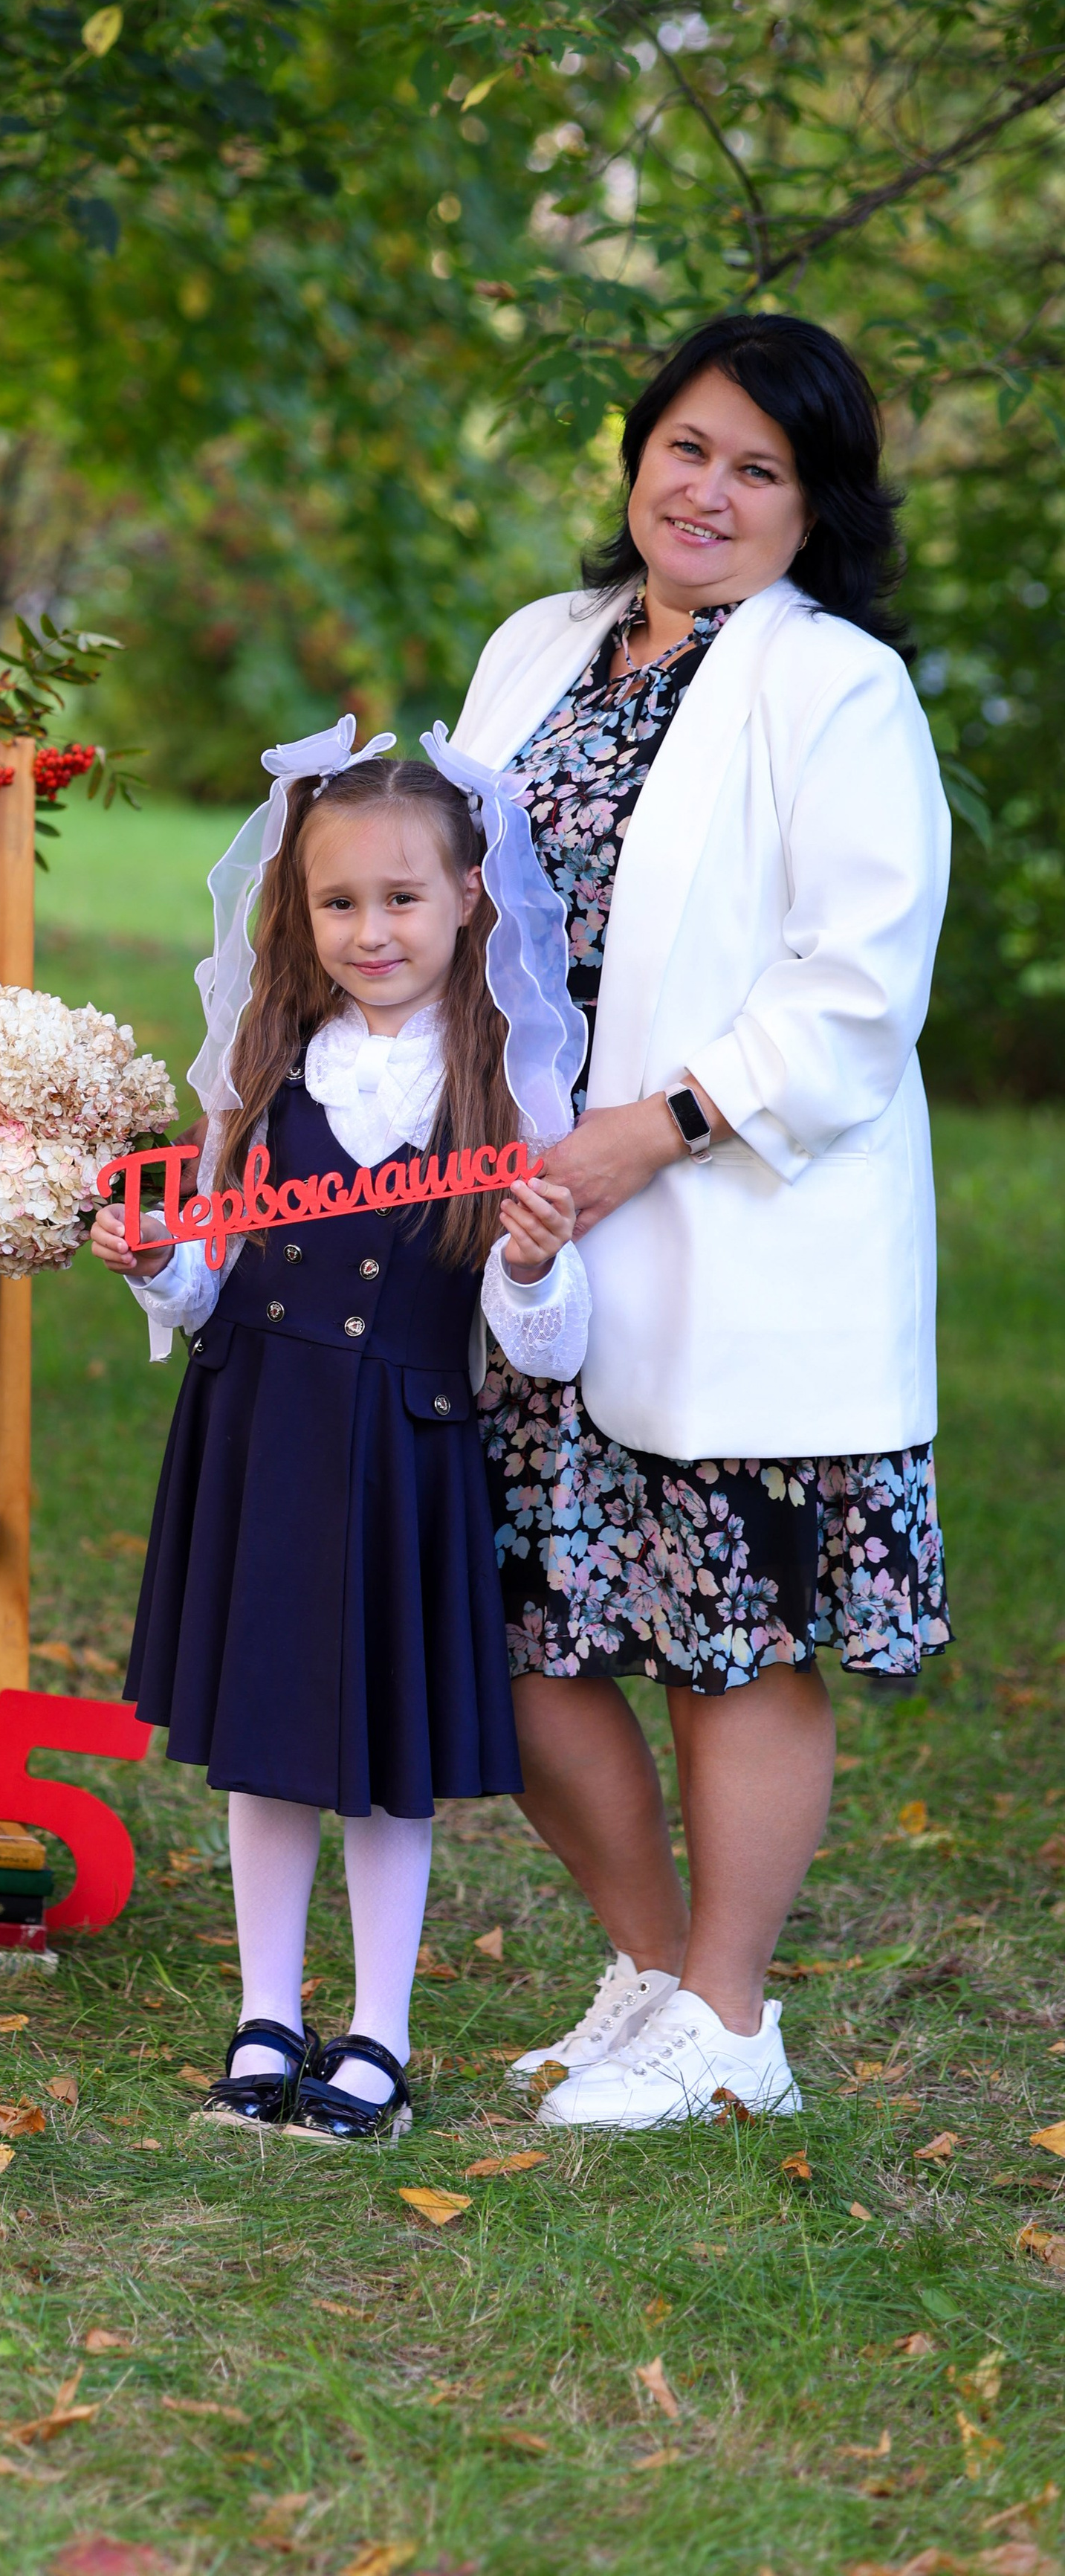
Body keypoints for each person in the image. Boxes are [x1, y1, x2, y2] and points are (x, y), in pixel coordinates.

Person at [453, 311, 951, 2131]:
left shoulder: (836, 691)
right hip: (524, 1216)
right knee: (517, 1620)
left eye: (758, 469)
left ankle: (734, 2017)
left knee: (726, 1622)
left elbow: (856, 985)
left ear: (812, 509)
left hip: (730, 1208)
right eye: (686, 450)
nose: (710, 492)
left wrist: (645, 1131)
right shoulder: (535, 653)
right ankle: (661, 1983)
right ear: (633, 458)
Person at [90, 729, 589, 2144]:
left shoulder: (513, 1091)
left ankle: (377, 2032)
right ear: (299, 915)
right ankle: (264, 2013)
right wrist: (155, 1266)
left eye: (403, 898)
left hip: (408, 1449)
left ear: (471, 898)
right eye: (340, 904)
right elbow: (210, 1287)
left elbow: (545, 1345)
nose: (372, 931)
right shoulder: (265, 1070)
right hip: (262, 1427)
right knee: (267, 1739)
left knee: (377, 1755)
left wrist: (540, 1267)